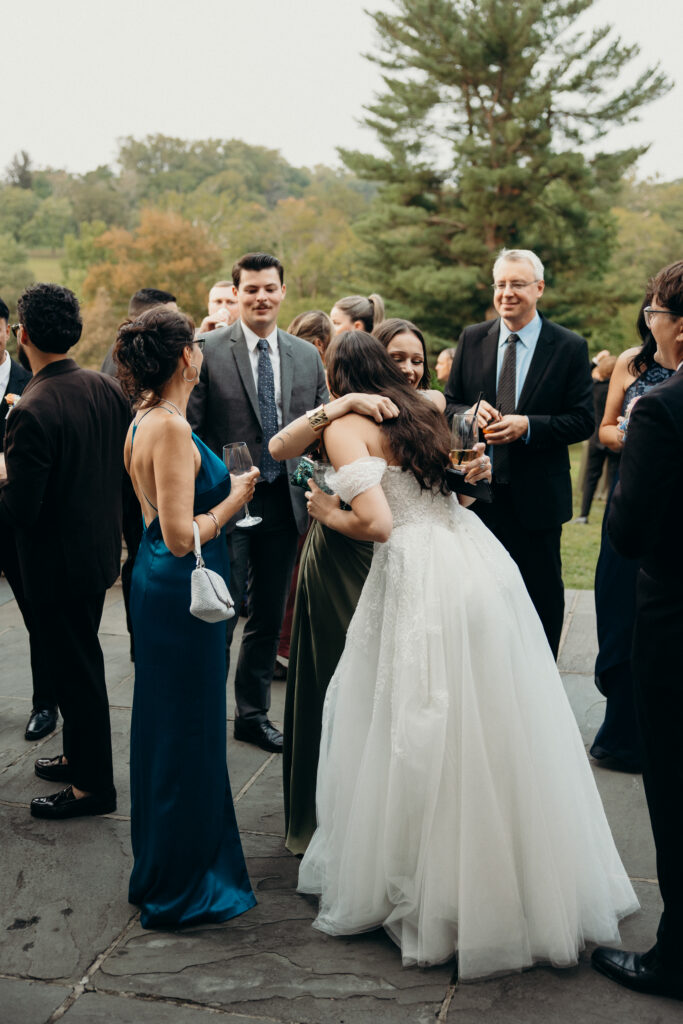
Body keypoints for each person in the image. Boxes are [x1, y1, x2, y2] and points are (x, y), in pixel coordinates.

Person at [297, 331, 637, 979]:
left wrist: (324, 511)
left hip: (417, 575)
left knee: (416, 720)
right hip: (476, 565)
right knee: (490, 715)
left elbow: (377, 524)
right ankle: (517, 880)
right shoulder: (422, 410)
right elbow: (456, 491)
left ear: (339, 380)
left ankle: (436, 888)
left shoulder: (346, 426)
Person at [276, 321, 447, 856]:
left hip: (358, 551)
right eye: (399, 359)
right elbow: (282, 447)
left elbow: (381, 516)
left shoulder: (399, 413)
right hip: (363, 560)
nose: (410, 369)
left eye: (416, 359)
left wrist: (327, 510)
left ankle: (338, 815)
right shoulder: (362, 414)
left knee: (344, 682)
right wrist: (345, 402)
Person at [114, 305, 257, 929]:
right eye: (196, 346)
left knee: (164, 725)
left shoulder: (149, 415)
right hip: (179, 591)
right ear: (183, 359)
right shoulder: (168, 429)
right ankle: (182, 884)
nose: (202, 353)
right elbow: (178, 535)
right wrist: (234, 499)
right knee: (187, 733)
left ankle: (160, 866)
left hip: (157, 583)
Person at [188, 252, 328, 753]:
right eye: (251, 290)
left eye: (269, 288)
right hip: (228, 504)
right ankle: (205, 714)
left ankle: (252, 714)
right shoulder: (205, 349)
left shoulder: (306, 356)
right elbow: (192, 432)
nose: (261, 297)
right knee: (221, 614)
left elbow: (318, 437)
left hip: (284, 504)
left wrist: (312, 490)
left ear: (283, 292)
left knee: (268, 616)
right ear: (237, 293)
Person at [0, 283, 130, 819]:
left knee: (75, 672)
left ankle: (93, 788)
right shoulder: (106, 388)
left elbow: (21, 513)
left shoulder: (31, 408)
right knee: (81, 662)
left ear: (22, 334)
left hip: (54, 566)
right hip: (97, 553)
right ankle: (78, 755)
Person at [592, 262, 683, 1001]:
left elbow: (624, 532)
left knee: (675, 787)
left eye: (652, 309)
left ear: (675, 324)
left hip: (674, 622)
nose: (646, 321)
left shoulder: (662, 411)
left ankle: (675, 958)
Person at [445, 247, 594, 657]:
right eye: (501, 284)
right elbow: (449, 401)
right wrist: (469, 412)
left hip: (538, 499)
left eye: (517, 284)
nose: (507, 292)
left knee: (541, 595)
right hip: (477, 495)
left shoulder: (568, 346)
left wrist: (530, 426)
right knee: (481, 597)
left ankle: (541, 680)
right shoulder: (473, 338)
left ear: (539, 288)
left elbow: (583, 420)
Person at [590, 309, 672, 774]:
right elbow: (602, 430)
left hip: (669, 497)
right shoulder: (629, 363)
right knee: (618, 607)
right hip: (629, 490)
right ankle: (621, 731)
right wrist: (629, 436)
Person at [101, 287, 179, 661]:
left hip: (141, 476)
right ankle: (141, 639)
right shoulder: (121, 366)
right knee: (141, 554)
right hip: (132, 482)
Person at [0, 298, 57, 741]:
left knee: (39, 615)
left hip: (20, 519)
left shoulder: (33, 382)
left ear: (8, 331)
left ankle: (45, 703)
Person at [275, 309, 336, 679]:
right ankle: (285, 646)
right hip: (309, 476)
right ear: (318, 345)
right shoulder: (327, 383)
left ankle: (283, 645)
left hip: (298, 473)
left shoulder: (292, 366)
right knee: (297, 573)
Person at [573, 353, 619, 524]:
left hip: (596, 438)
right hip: (614, 439)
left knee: (591, 478)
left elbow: (582, 376)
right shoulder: (619, 390)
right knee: (614, 481)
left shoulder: (595, 387)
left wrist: (595, 361)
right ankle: (611, 518)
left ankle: (583, 515)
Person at [373, 318, 446, 410]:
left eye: (417, 361)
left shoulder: (432, 402)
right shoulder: (357, 407)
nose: (408, 369)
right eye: (397, 359)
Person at [100, 289, 177, 376]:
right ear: (145, 316)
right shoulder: (133, 357)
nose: (178, 324)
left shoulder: (122, 349)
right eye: (170, 318)